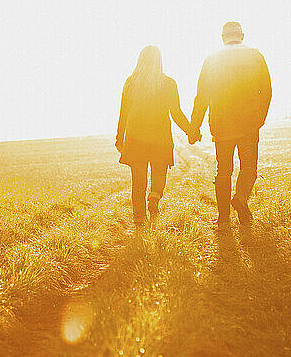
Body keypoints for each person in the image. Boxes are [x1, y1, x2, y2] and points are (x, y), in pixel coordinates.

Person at [189, 22, 272, 230]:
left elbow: (202, 96)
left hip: (221, 125)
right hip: (249, 124)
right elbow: (267, 90)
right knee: (249, 167)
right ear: (242, 35)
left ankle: (224, 220)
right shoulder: (255, 55)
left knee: (223, 171)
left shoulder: (212, 59)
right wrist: (260, 118)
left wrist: (194, 127)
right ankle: (241, 198)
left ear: (222, 37)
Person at [116, 46, 191, 227]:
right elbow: (176, 113)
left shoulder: (130, 83)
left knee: (138, 180)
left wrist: (120, 138)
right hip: (160, 137)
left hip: (135, 138)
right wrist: (191, 131)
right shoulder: (168, 83)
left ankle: (139, 218)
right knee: (159, 173)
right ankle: (155, 196)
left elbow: (123, 114)